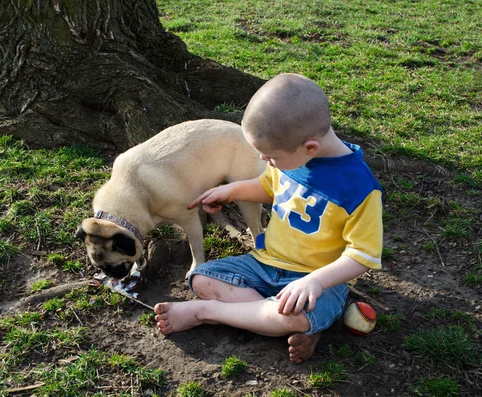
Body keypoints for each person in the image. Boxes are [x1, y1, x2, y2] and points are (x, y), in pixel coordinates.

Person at [154, 73, 384, 363]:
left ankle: (205, 313)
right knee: (202, 278)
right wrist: (231, 190)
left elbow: (363, 255)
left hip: (318, 281)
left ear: (310, 147)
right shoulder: (292, 154)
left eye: (269, 156)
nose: (264, 161)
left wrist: (314, 281)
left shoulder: (360, 188)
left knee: (294, 314)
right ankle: (277, 319)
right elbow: (268, 187)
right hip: (264, 264)